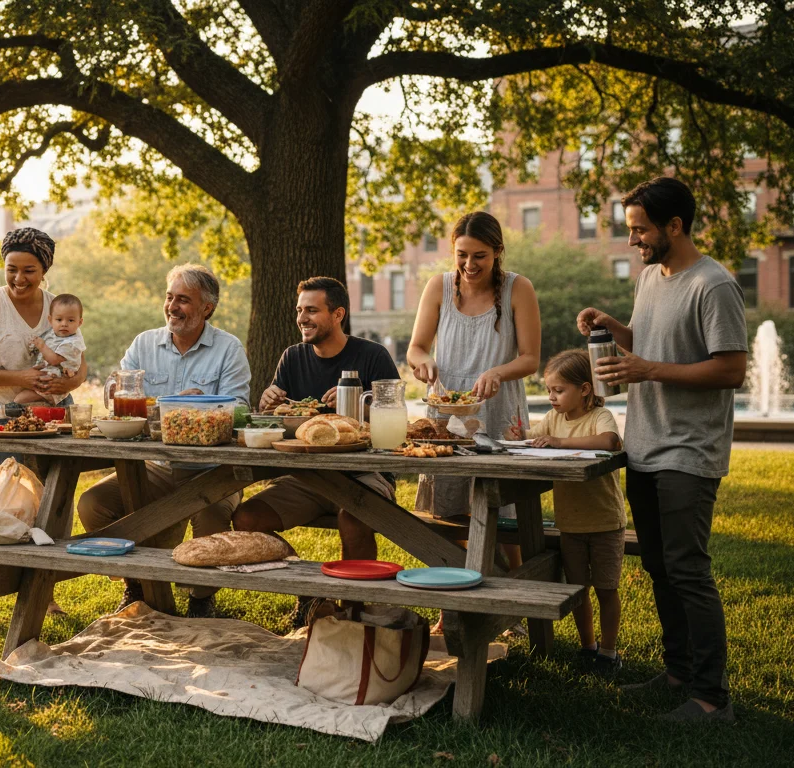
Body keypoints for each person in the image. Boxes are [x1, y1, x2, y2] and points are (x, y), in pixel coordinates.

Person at [577, 176, 746, 723]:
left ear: (675, 225)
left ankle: (709, 695)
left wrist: (648, 368)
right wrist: (615, 329)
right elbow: (653, 343)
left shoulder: (713, 285)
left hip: (689, 451)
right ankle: (676, 670)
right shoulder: (650, 277)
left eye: (641, 230)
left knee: (687, 568)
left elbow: (731, 368)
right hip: (645, 447)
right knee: (656, 565)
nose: (633, 241)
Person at [77, 264, 250, 618]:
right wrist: (113, 390)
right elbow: (120, 392)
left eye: (183, 300)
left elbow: (241, 410)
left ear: (207, 308)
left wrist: (195, 404)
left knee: (211, 516)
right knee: (93, 504)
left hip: (212, 470)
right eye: (169, 297)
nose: (173, 306)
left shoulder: (229, 349)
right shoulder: (145, 343)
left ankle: (201, 598)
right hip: (155, 466)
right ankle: (138, 585)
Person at [233, 276, 399, 628]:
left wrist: (357, 407)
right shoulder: (292, 357)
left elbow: (396, 418)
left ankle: (354, 612)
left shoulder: (372, 355)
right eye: (299, 310)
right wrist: (269, 400)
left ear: (337, 314)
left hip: (364, 474)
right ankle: (311, 593)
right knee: (247, 519)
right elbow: (280, 418)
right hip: (307, 476)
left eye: (312, 310)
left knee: (352, 517)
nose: (302, 318)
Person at [0, 228, 88, 627]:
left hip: (52, 416)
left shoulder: (61, 307)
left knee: (50, 504)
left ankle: (43, 592)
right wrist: (26, 377)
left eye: (29, 270)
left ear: (44, 269)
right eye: (12, 269)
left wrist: (66, 383)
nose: (19, 278)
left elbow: (80, 365)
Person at [406, 211, 541, 520]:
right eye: (462, 255)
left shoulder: (518, 289)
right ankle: (456, 568)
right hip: (447, 412)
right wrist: (424, 361)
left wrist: (498, 372)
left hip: (498, 410)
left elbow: (531, 358)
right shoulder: (437, 287)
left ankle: (509, 569)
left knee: (504, 515)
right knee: (449, 513)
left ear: (498, 252)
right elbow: (416, 348)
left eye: (480, 256)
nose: (469, 265)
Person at [505, 350, 625, 676]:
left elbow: (610, 441)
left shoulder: (600, 416)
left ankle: (609, 651)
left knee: (606, 588)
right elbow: (535, 437)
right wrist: (521, 437)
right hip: (570, 524)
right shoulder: (553, 418)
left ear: (585, 389)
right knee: (578, 588)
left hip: (603, 523)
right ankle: (588, 647)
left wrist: (556, 442)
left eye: (559, 390)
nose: (551, 397)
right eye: (549, 390)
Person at [15, 294, 86, 405]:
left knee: (20, 399)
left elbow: (54, 360)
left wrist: (42, 346)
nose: (64, 324)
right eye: (59, 319)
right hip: (47, 375)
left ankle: (8, 409)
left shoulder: (73, 343)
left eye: (71, 320)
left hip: (54, 382)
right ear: (50, 320)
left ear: (79, 322)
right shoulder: (54, 333)